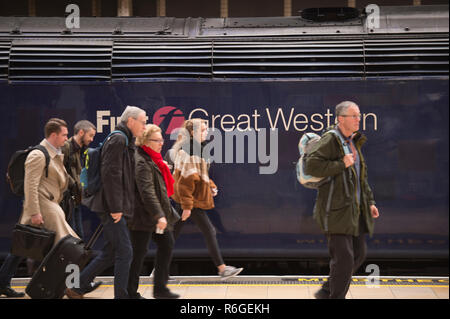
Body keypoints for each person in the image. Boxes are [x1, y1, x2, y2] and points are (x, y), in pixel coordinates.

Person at [65, 106, 146, 299]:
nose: (145, 126)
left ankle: (78, 285)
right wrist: (116, 207)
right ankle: (122, 296)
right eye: (143, 122)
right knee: (125, 252)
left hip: (114, 206)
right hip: (111, 207)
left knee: (110, 252)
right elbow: (111, 175)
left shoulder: (124, 139)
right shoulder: (118, 139)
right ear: (131, 121)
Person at [304, 101, 380, 299]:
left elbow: (360, 176)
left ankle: (326, 291)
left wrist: (370, 201)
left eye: (359, 115)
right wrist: (340, 164)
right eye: (354, 116)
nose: (358, 119)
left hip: (354, 211)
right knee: (345, 259)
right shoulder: (331, 140)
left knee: (358, 254)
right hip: (334, 210)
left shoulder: (352, 141)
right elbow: (311, 166)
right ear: (340, 119)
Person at [0, 118, 79, 297]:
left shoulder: (53, 153)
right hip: (41, 209)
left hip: (48, 207)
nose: (67, 138)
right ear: (53, 135)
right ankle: (72, 285)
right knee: (65, 246)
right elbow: (30, 186)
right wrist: (34, 212)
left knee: (23, 247)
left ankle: (4, 282)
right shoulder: (38, 155)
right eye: (64, 135)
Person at [169, 119, 243, 279]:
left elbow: (199, 175)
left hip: (189, 199)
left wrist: (210, 185)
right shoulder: (189, 151)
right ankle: (222, 269)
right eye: (202, 130)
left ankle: (158, 271)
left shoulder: (197, 149)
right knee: (208, 231)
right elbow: (185, 182)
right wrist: (187, 206)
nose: (207, 133)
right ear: (192, 133)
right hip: (189, 200)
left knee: (172, 234)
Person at [128, 124, 180, 299]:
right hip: (143, 216)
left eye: (162, 140)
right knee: (138, 254)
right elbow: (147, 191)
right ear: (145, 141)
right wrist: (159, 215)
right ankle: (131, 292)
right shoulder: (142, 161)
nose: (161, 143)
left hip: (153, 214)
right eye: (157, 140)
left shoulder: (153, 159)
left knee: (167, 244)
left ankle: (160, 289)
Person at [61, 120, 96, 239]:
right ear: (81, 132)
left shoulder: (82, 150)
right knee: (74, 235)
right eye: (90, 135)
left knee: (79, 235)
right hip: (67, 199)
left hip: (76, 198)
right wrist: (73, 184)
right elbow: (60, 170)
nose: (92, 139)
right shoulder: (66, 147)